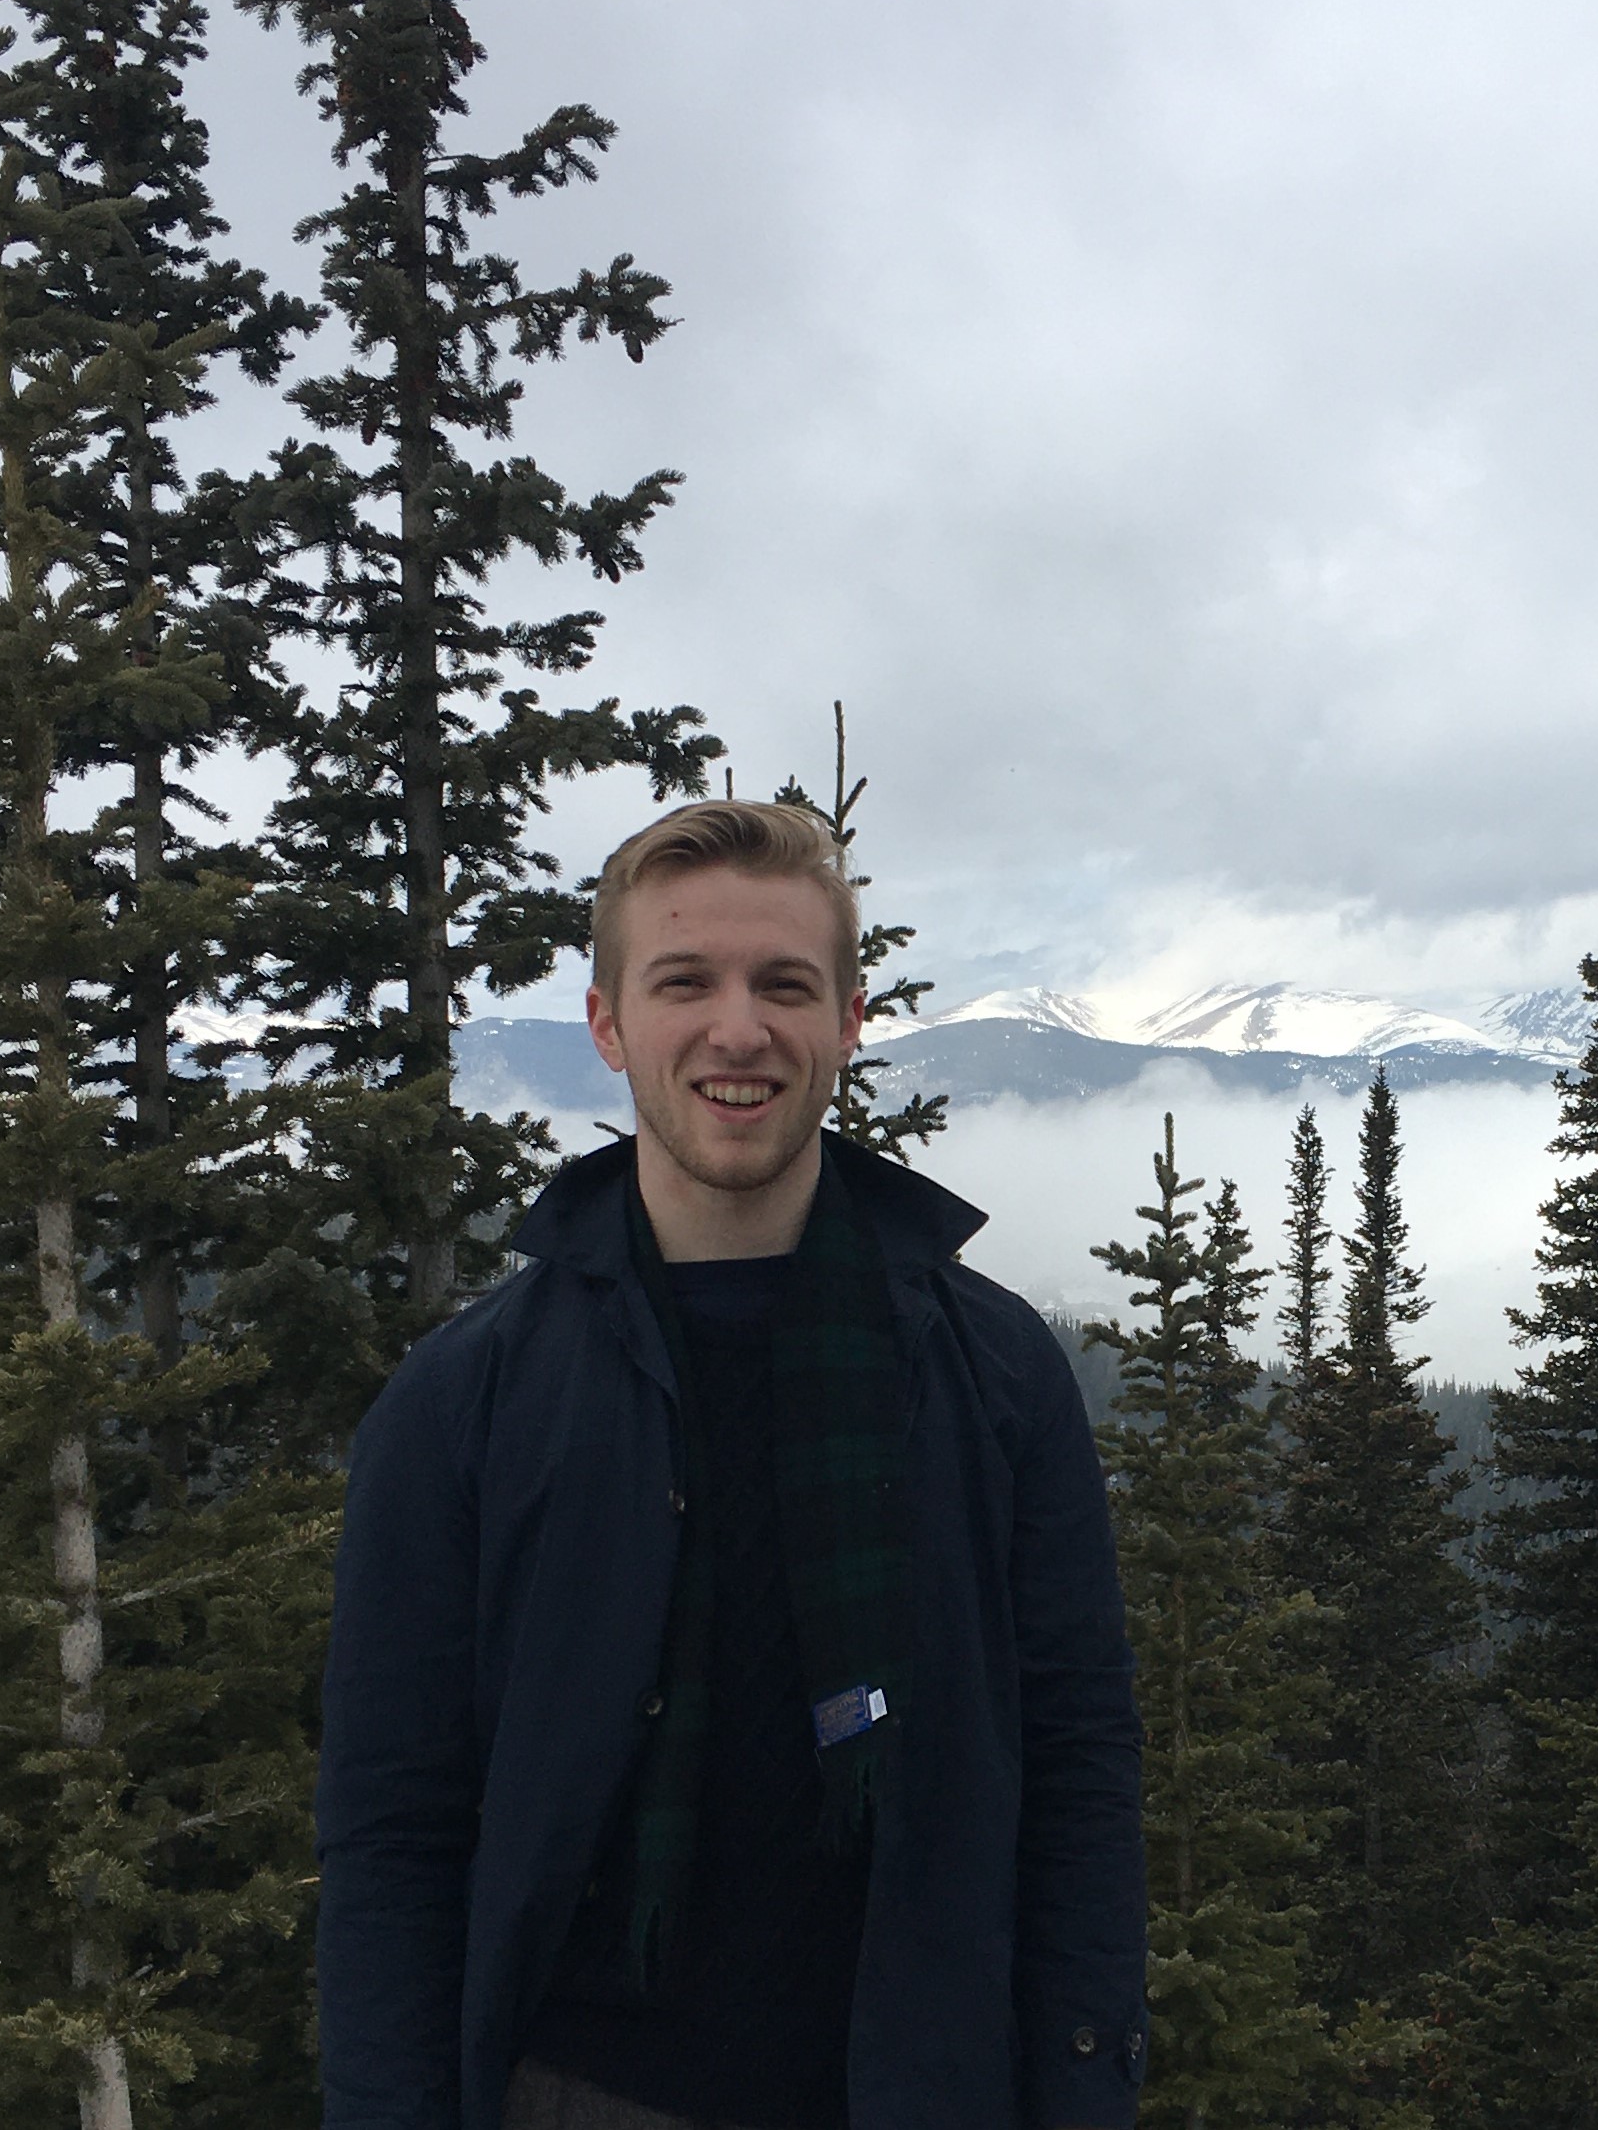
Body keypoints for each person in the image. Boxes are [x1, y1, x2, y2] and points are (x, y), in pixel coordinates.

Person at [313, 800, 1147, 2130]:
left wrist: (1085, 2090)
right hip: (578, 2092)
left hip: (924, 2084)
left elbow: (1078, 1781)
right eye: (684, 982)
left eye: (785, 986)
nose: (739, 1029)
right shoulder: (463, 1408)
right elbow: (392, 1840)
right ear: (607, 1025)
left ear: (848, 1020)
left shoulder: (992, 1378)